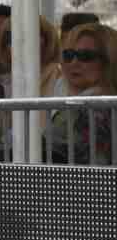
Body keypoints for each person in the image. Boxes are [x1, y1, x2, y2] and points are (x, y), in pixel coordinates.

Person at [44, 22, 116, 165]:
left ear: (109, 61)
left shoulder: (88, 110)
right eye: (68, 55)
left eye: (86, 56)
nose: (74, 62)